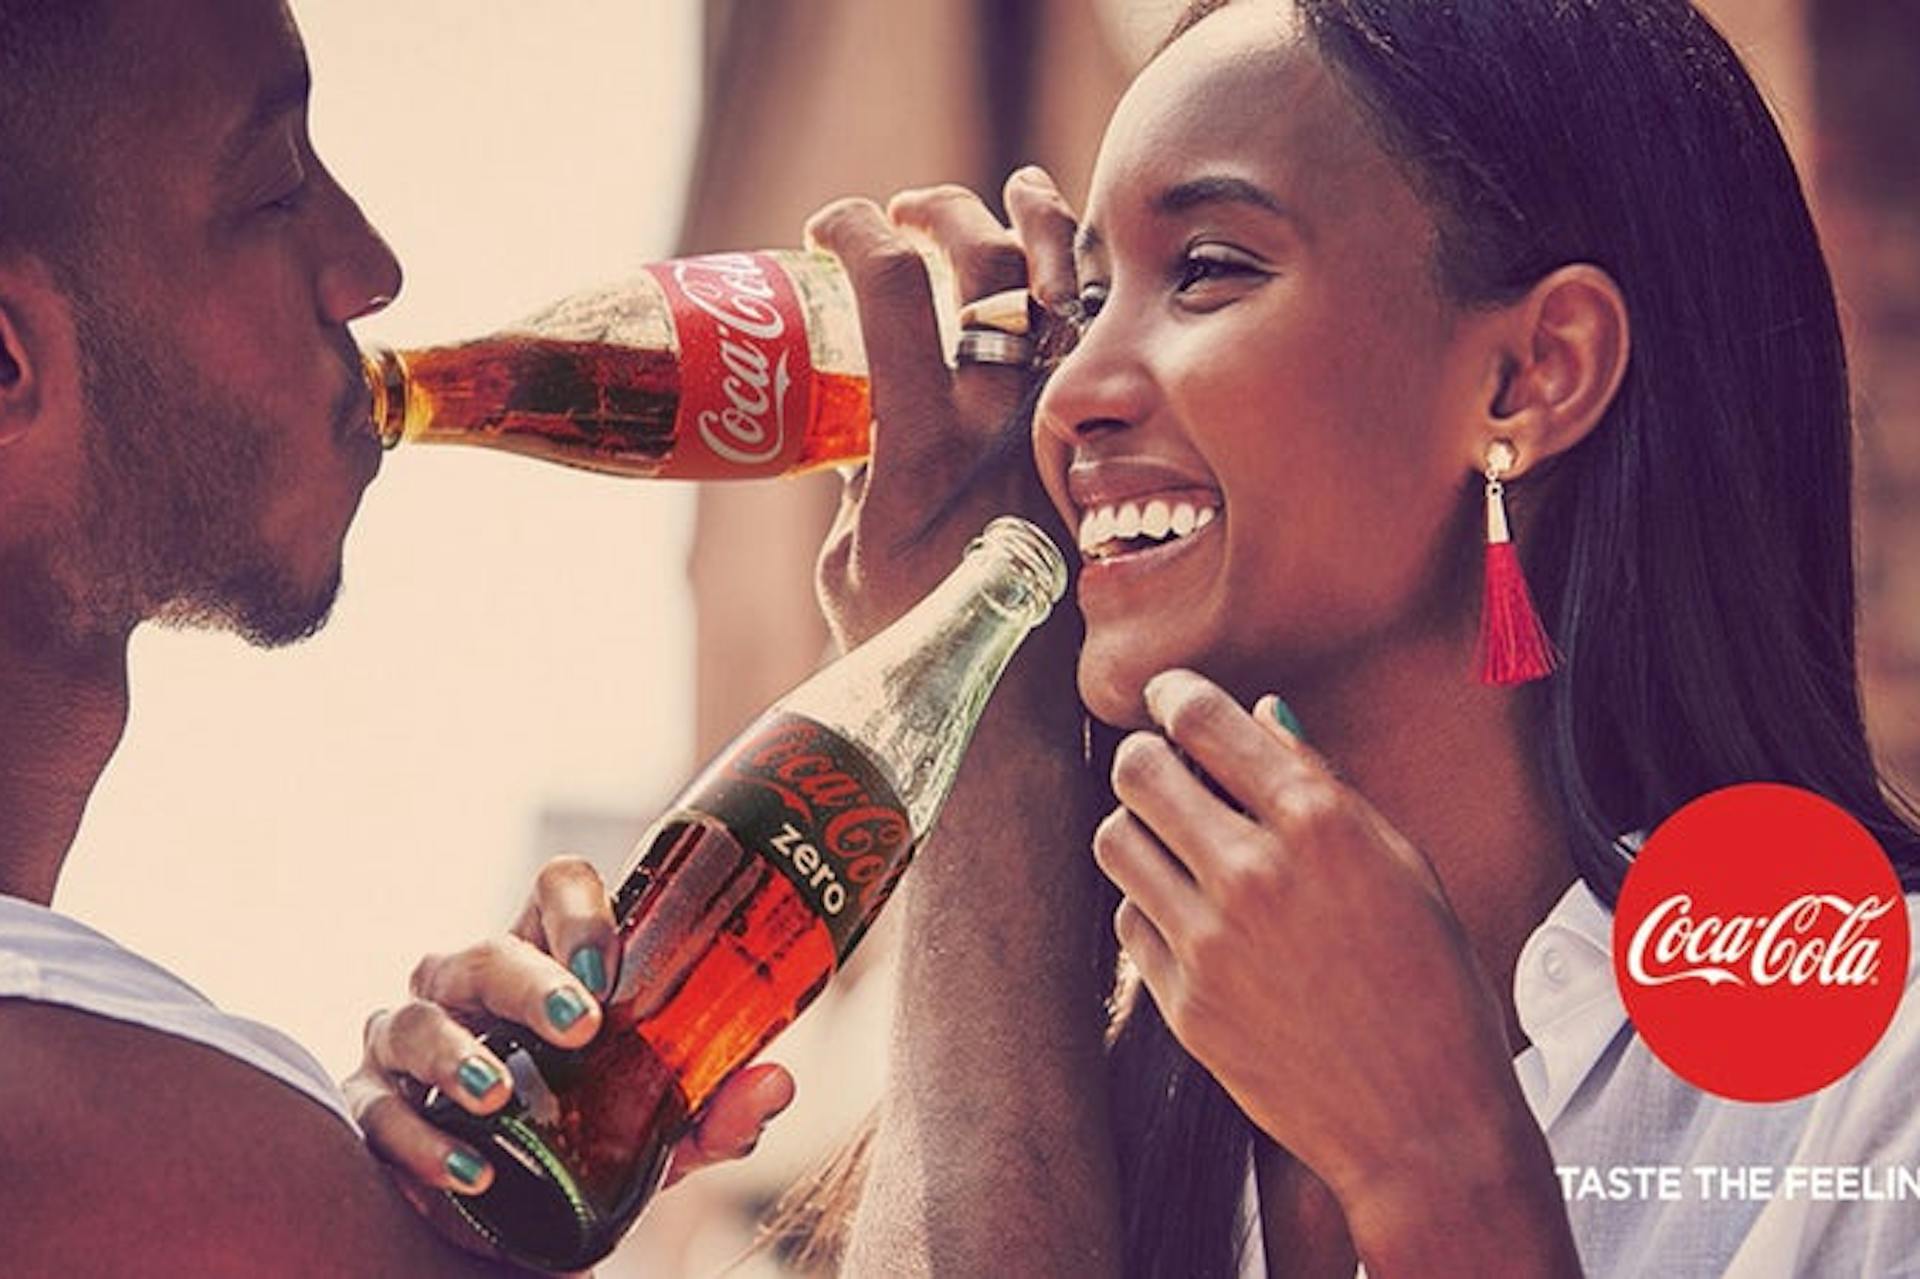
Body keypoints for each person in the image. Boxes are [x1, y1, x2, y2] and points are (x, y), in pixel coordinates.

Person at [558, 0, 1912, 1275]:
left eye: (1208, 270)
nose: (1072, 393)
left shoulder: (1869, 1069)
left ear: (1531, 372)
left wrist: (1438, 1172)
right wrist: (978, 720)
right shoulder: (1070, 1089)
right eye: (1085, 306)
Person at [0, 1, 785, 1273]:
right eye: (271, 192)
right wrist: (987, 591)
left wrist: (451, 1206)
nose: (371, 267)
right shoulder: (102, 1138)